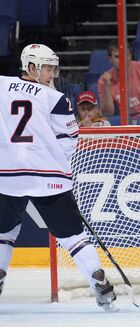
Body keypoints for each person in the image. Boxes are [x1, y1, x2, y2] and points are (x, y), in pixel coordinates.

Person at [0, 44, 117, 311]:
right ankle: (100, 283)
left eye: (54, 68)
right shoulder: (56, 99)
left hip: (7, 176)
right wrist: (54, 164)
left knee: (4, 232)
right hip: (48, 177)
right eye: (47, 68)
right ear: (31, 67)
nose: (52, 74)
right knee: (73, 237)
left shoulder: (1, 85)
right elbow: (68, 141)